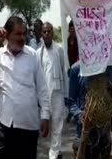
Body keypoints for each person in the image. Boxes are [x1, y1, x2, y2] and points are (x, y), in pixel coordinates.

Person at [0, 16, 50, 159]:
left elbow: (42, 88)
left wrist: (45, 115)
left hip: (28, 127)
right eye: (18, 34)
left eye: (24, 33)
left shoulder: (32, 55)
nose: (22, 37)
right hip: (4, 128)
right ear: (7, 35)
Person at [37, 22, 69, 159]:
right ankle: (56, 150)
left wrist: (66, 95)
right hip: (44, 94)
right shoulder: (38, 53)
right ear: (41, 34)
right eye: (44, 32)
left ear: (52, 33)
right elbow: (36, 76)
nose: (47, 34)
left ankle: (53, 153)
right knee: (47, 125)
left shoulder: (59, 49)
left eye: (49, 31)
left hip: (57, 92)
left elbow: (64, 71)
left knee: (57, 123)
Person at [69, 61, 112, 158]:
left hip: (103, 136)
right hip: (83, 134)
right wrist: (81, 115)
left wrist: (108, 85)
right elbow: (70, 102)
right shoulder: (76, 69)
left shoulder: (107, 68)